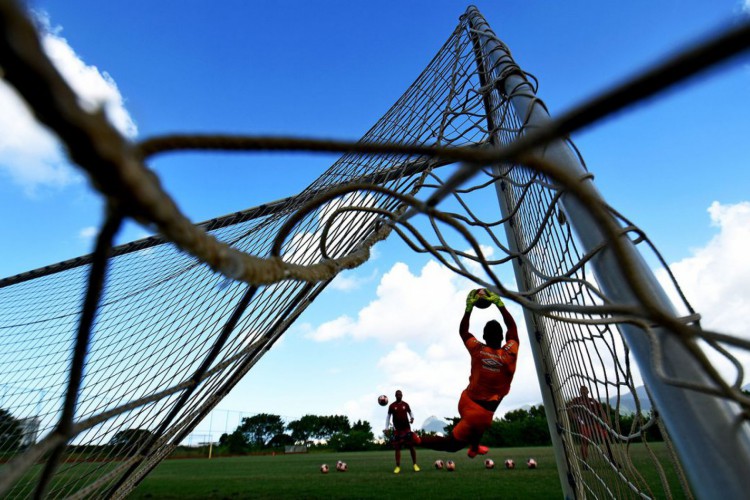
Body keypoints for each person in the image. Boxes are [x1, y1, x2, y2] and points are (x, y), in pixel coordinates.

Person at [420, 288, 518, 458]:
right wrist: (499, 304)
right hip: (479, 412)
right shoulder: (510, 353)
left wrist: (468, 309)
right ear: (503, 337)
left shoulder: (478, 350)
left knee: (480, 422)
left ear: (484, 337)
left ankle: (474, 447)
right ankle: (416, 440)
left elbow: (464, 332)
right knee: (453, 444)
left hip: (466, 400)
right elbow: (512, 327)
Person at [567, 385, 617, 464]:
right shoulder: (576, 400)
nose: (583, 391)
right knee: (585, 442)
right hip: (584, 424)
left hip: (595, 424)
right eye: (581, 390)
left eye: (585, 390)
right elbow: (569, 407)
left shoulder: (593, 401)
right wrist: (573, 415)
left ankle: (612, 459)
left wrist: (606, 421)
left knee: (606, 439)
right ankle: (584, 462)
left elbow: (601, 410)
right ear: (580, 392)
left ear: (588, 391)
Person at [384, 389, 421, 473]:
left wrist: (412, 418)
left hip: (406, 429)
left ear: (402, 395)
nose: (399, 396)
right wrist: (386, 428)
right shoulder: (392, 406)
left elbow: (411, 412)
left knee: (411, 446)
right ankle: (397, 467)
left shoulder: (405, 404)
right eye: (397, 394)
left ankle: (415, 464)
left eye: (400, 394)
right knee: (397, 448)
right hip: (397, 430)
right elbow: (388, 417)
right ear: (395, 396)